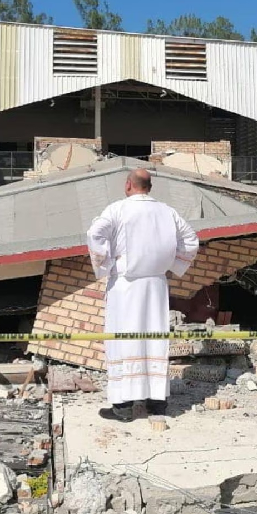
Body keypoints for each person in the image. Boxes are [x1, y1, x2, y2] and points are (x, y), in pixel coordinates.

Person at [87, 169, 199, 422]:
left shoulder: (117, 209)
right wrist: (172, 264)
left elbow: (95, 234)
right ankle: (157, 403)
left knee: (124, 340)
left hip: (125, 285)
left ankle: (123, 408)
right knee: (154, 339)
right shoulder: (167, 211)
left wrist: (106, 264)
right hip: (156, 285)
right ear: (150, 187)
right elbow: (191, 240)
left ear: (128, 185)